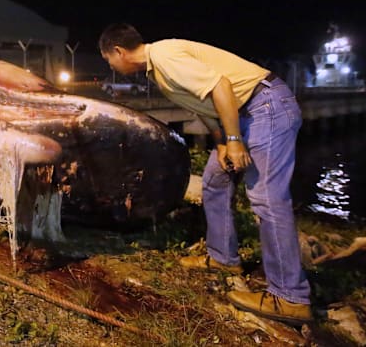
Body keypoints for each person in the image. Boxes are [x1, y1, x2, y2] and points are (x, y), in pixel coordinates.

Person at [98, 23, 313, 325]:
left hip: (265, 107)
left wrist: (236, 141)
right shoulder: (155, 71)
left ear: (118, 51)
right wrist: (223, 142)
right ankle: (224, 258)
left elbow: (220, 86)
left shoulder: (165, 55)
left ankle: (290, 297)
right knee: (214, 181)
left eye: (108, 60)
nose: (110, 66)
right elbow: (203, 104)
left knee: (266, 198)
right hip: (243, 114)